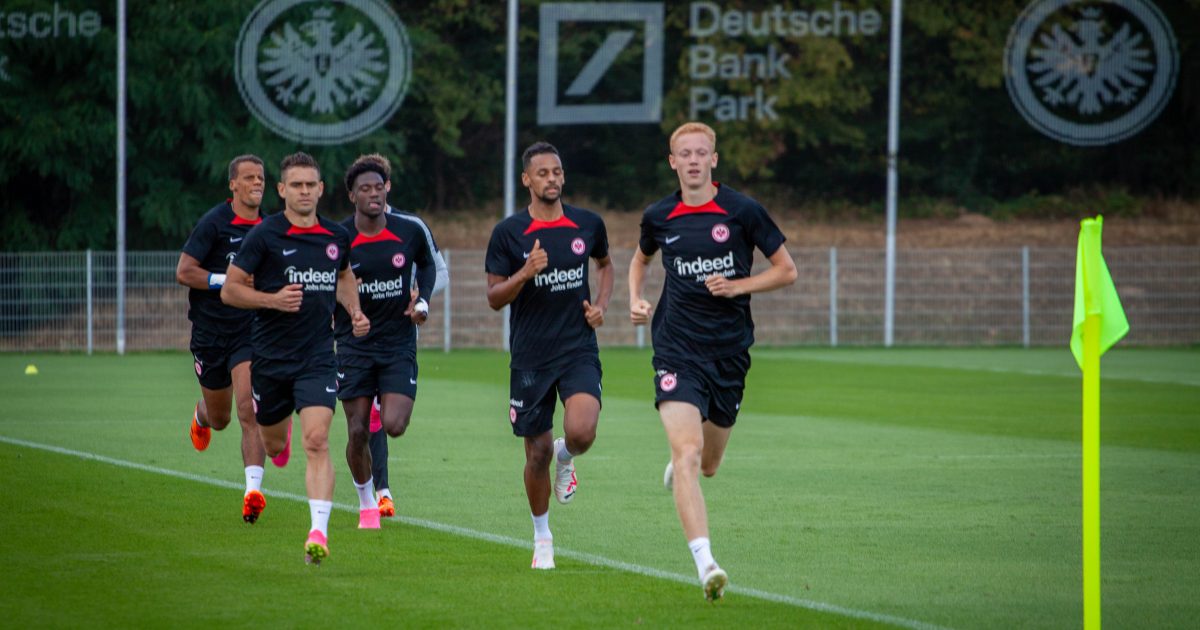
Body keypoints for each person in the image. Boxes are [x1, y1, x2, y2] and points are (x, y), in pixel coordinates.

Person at [628, 122, 797, 600]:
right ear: (673, 162)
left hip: (729, 353)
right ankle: (706, 564)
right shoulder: (659, 215)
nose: (695, 160)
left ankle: (685, 463)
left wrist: (738, 286)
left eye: (703, 152)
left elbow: (787, 270)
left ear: (714, 160)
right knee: (687, 454)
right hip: (676, 349)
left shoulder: (742, 210)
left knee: (708, 465)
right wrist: (636, 299)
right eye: (686, 153)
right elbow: (641, 259)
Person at [221, 152, 369, 565]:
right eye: (296, 185)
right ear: (282, 190)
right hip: (269, 360)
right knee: (273, 441)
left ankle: (318, 531)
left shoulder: (336, 237)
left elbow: (343, 276)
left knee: (317, 441)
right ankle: (278, 442)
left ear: (321, 189)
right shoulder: (265, 236)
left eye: (311, 185)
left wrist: (354, 311)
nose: (305, 191)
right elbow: (230, 290)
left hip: (318, 357)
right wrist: (271, 299)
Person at [485, 141, 613, 569]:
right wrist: (525, 272)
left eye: (557, 171)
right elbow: (494, 298)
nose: (552, 179)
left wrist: (602, 307)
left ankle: (567, 456)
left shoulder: (587, 224)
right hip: (530, 357)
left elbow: (606, 265)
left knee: (582, 433)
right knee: (534, 453)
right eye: (543, 173)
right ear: (527, 180)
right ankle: (542, 538)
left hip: (577, 347)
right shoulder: (508, 233)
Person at [176, 154, 288, 525]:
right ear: (233, 185)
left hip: (249, 329)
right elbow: (184, 271)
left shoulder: (271, 228)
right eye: (250, 178)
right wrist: (225, 280)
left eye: (261, 177)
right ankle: (201, 414)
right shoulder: (214, 223)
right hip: (210, 332)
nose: (258, 183)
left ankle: (252, 491)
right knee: (221, 417)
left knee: (248, 409)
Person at [335, 155, 438, 529]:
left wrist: (421, 300)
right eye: (365, 189)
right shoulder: (339, 239)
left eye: (379, 187)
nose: (373, 194)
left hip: (397, 344)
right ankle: (367, 502)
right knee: (358, 430)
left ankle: (382, 405)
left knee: (394, 425)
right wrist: (350, 308)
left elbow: (427, 265)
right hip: (354, 345)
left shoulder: (409, 231)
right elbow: (324, 285)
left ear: (388, 189)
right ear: (352, 195)